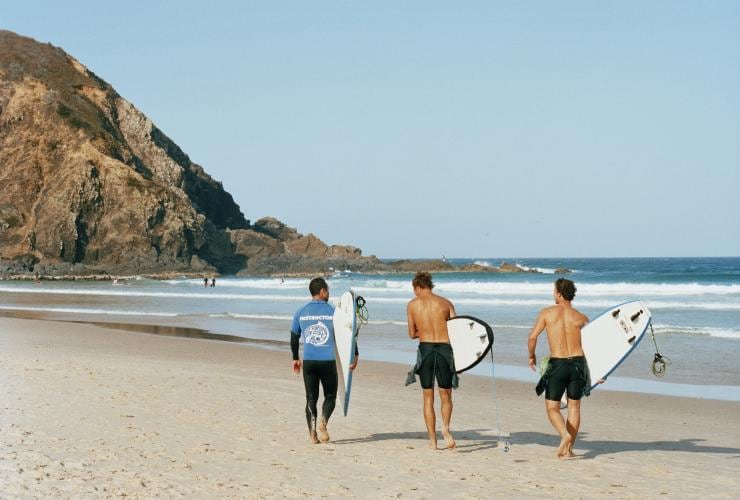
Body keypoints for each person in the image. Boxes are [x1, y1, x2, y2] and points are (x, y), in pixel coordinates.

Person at [527, 278, 591, 459]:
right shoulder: (581, 318)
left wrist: (531, 356)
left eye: (554, 291)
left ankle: (565, 435)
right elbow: (593, 349)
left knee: (552, 408)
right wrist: (599, 372)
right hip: (578, 365)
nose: (553, 294)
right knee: (574, 408)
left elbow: (532, 338)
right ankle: (568, 449)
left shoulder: (547, 313)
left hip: (558, 364)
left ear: (560, 293)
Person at [291, 277, 358, 444]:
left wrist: (295, 358)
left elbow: (294, 337)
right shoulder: (334, 312)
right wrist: (354, 354)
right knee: (330, 396)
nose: (328, 293)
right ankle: (323, 422)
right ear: (322, 292)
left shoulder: (301, 311)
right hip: (327, 361)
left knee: (311, 398)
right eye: (327, 290)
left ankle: (312, 435)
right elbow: (347, 335)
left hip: (309, 361)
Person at [405, 272, 458, 450]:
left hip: (426, 350)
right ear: (430, 285)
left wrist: (425, 330)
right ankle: (446, 428)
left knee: (428, 396)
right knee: (446, 394)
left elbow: (412, 334)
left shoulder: (412, 305)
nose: (415, 293)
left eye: (415, 290)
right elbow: (458, 331)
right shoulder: (446, 303)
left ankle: (432, 441)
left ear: (418, 287)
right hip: (444, 350)